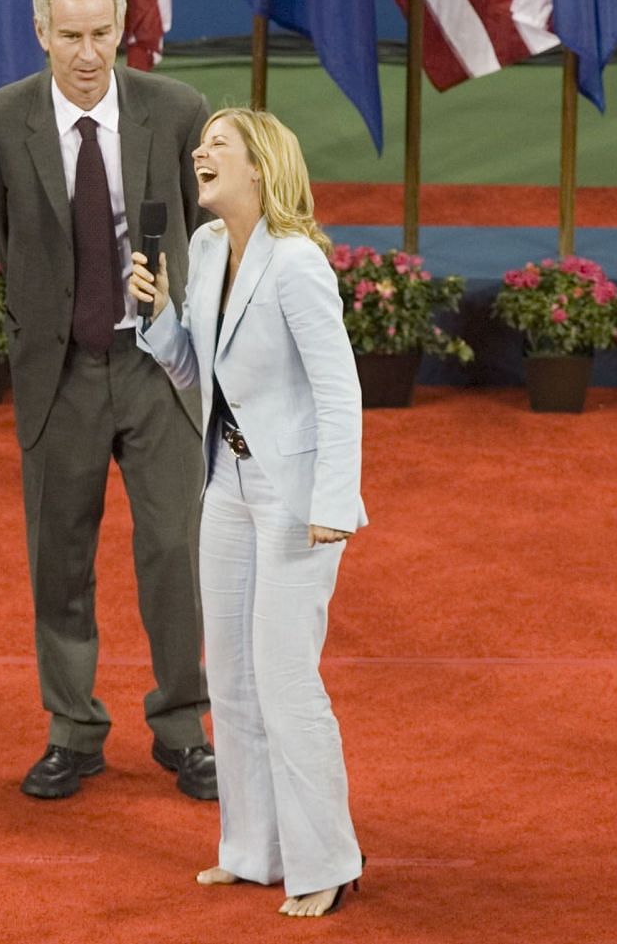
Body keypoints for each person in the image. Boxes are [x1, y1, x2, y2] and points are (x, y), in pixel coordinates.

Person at [0, 0, 216, 802]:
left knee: (175, 552)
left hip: (158, 371)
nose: (87, 52)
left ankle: (184, 728)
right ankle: (72, 731)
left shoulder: (177, 111)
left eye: (102, 32)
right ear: (39, 32)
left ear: (122, 27)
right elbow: (9, 238)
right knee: (59, 558)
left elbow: (202, 236)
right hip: (60, 371)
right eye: (69, 35)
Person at [128, 107, 366, 919]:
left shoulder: (297, 263)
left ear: (260, 167)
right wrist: (158, 319)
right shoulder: (200, 249)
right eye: (201, 145)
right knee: (227, 674)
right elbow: (200, 373)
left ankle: (326, 858)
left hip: (294, 495)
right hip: (224, 480)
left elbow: (339, 389)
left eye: (218, 145)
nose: (201, 151)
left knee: (285, 676)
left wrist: (335, 501)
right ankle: (252, 848)